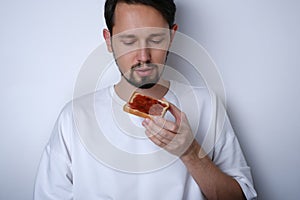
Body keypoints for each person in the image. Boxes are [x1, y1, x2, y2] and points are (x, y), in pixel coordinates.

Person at [34, 0, 257, 199]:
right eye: (129, 41)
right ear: (109, 40)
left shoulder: (207, 104)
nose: (143, 56)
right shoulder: (74, 117)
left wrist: (190, 153)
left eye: (156, 39)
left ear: (172, 37)